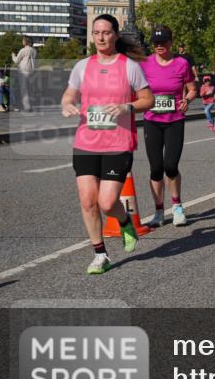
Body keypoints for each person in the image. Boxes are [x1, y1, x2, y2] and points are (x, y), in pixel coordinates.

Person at [61, 14, 154, 275]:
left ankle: (124, 221)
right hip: (86, 141)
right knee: (87, 201)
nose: (101, 37)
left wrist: (127, 106)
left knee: (106, 202)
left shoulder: (129, 67)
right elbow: (69, 94)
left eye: (106, 32)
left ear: (115, 35)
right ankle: (100, 255)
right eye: (96, 33)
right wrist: (67, 103)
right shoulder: (82, 66)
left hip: (118, 143)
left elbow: (148, 99)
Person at [141, 26, 197, 227]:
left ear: (171, 42)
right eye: (156, 42)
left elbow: (192, 89)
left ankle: (177, 206)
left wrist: (187, 100)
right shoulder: (145, 63)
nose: (159, 46)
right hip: (152, 121)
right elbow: (138, 89)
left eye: (163, 42)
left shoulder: (182, 63)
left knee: (170, 166)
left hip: (174, 121)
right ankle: (158, 211)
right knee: (156, 168)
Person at [11, 36, 37, 112]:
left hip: (23, 72)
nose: (22, 42)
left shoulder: (23, 50)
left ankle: (27, 107)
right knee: (30, 89)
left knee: (24, 90)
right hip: (31, 72)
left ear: (26, 42)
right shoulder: (34, 50)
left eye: (23, 40)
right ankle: (31, 105)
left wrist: (13, 56)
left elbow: (16, 61)